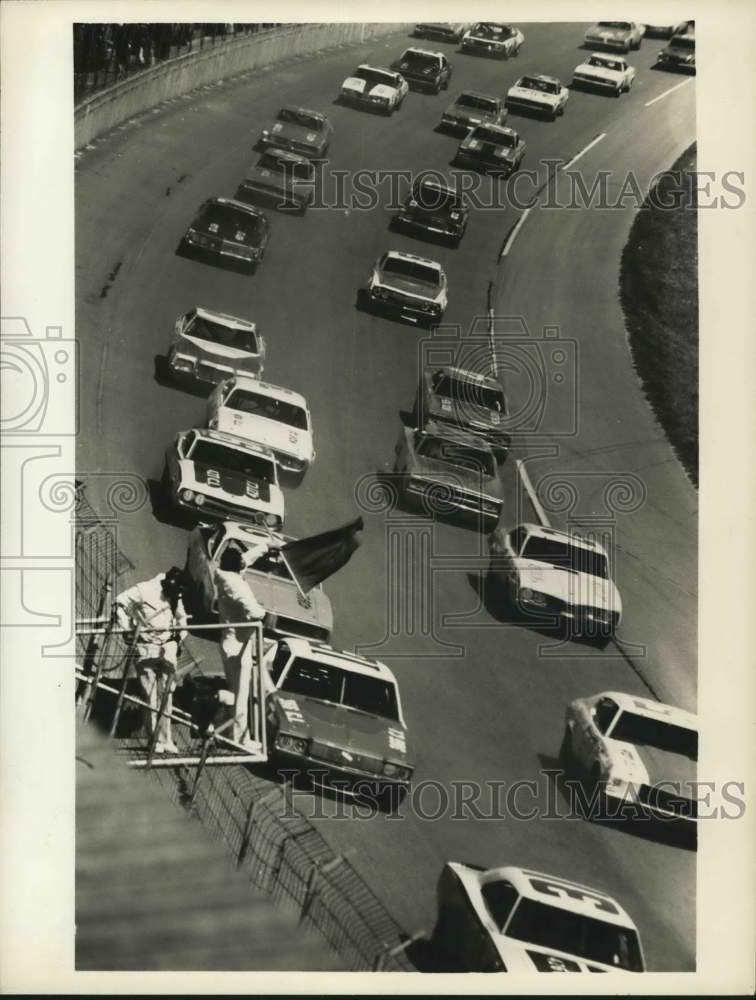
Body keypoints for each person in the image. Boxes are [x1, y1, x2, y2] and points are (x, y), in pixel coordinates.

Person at [115, 567, 188, 753]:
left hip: (167, 649)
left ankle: (166, 739)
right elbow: (119, 603)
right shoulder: (144, 590)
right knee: (151, 694)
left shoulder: (175, 595)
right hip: (146, 647)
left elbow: (182, 618)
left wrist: (179, 638)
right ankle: (153, 739)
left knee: (167, 694)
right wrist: (126, 629)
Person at [214, 539, 278, 748]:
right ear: (236, 567)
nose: (243, 563)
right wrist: (267, 614)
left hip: (233, 641)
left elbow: (245, 560)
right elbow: (254, 612)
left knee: (239, 690)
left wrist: (265, 546)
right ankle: (240, 739)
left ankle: (231, 728)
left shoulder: (224, 573)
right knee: (241, 694)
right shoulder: (236, 585)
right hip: (238, 647)